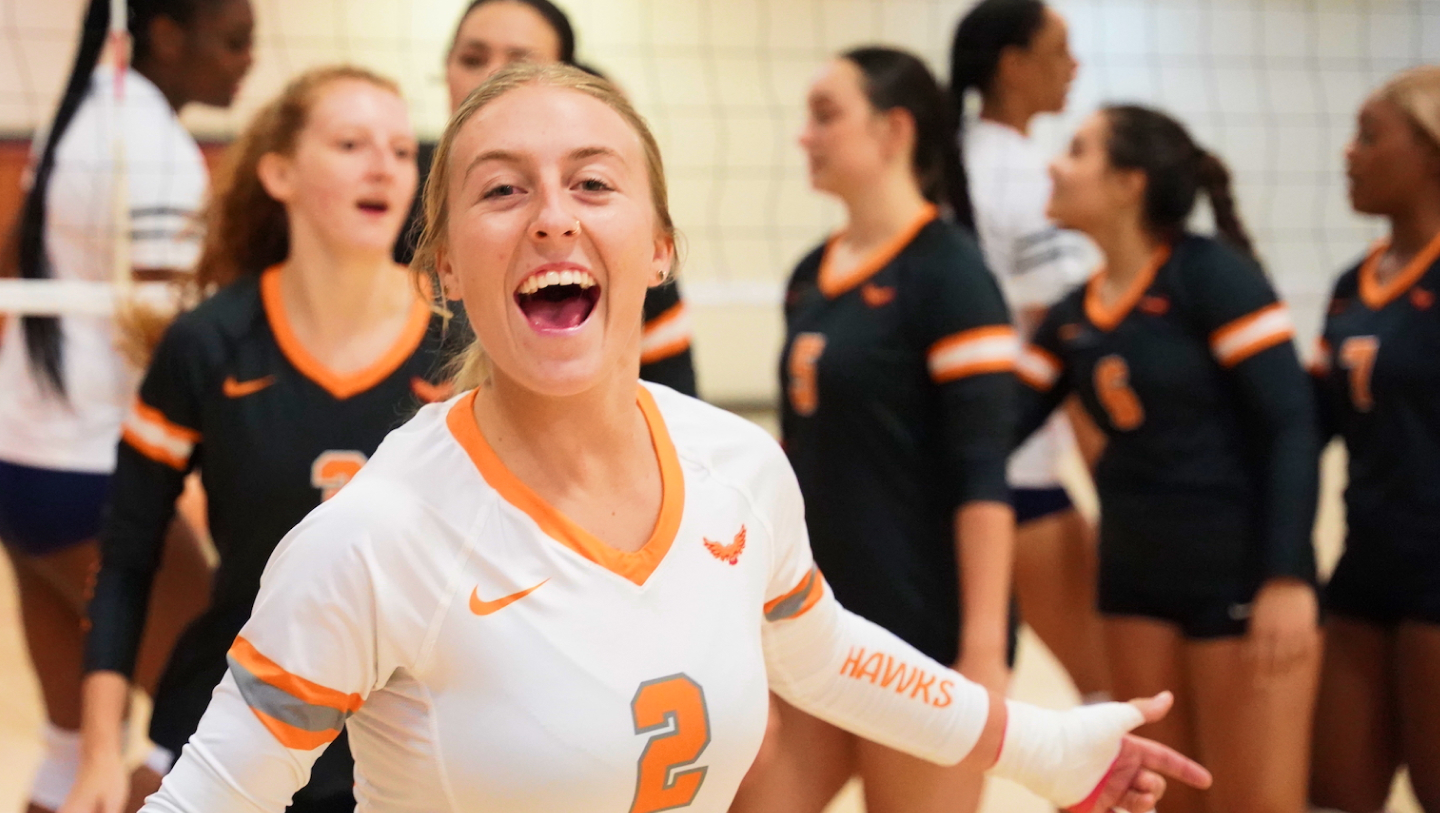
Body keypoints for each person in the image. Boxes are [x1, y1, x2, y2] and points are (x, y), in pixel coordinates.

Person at [132, 61, 1210, 813]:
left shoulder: (738, 467)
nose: (553, 214)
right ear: (448, 270)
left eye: (593, 183)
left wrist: (1047, 748)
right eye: (501, 190)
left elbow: (821, 651)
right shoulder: (370, 539)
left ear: (657, 250)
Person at [60, 65, 452, 813]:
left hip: (406, 733)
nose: (384, 166)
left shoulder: (457, 343)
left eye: (403, 151)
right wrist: (101, 753)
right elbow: (126, 557)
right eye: (350, 144)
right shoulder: (208, 345)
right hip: (236, 715)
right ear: (279, 172)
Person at [730, 47, 1015, 813]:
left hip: (924, 637)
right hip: (813, 629)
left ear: (894, 130)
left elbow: (984, 474)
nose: (805, 136)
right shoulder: (807, 274)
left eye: (826, 115)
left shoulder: (952, 273)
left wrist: (983, 650)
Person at [1014, 104, 1322, 813]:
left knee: (1252, 801)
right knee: (1163, 799)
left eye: (1078, 151)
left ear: (1129, 183)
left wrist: (1286, 575)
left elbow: (1292, 425)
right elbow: (989, 428)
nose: (1054, 165)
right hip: (1133, 583)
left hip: (1238, 576)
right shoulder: (1071, 315)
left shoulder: (1212, 277)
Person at [0, 1, 253, 810]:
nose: (246, 61)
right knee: (224, 727)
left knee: (71, 750)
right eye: (233, 41)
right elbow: (168, 335)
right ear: (168, 35)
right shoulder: (151, 147)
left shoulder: (86, 112)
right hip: (87, 475)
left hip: (23, 461)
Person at [394, 0, 698, 395]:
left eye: (591, 184)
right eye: (501, 190)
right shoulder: (394, 189)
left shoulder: (625, 241)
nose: (490, 79)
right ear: (445, 260)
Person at [951, 0, 1110, 703]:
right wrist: (1117, 485)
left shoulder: (946, 159)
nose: (1073, 65)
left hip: (955, 467)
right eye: (1059, 49)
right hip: (1023, 475)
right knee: (1113, 691)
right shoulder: (1027, 179)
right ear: (1012, 66)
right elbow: (1070, 345)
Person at [1309, 64, 1440, 813]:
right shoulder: (1350, 285)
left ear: (1430, 152)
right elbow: (1316, 421)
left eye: (1368, 136)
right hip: (1366, 565)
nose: (1347, 154)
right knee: (1328, 791)